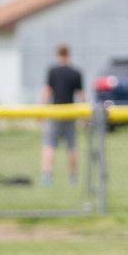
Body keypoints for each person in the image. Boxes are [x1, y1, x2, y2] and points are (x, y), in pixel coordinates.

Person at [39, 44, 84, 186]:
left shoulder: (53, 71)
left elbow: (47, 91)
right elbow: (81, 95)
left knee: (49, 145)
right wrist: (85, 115)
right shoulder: (76, 72)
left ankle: (47, 176)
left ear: (58, 54)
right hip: (70, 112)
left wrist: (41, 110)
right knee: (71, 147)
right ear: (69, 54)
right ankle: (73, 177)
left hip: (55, 112)